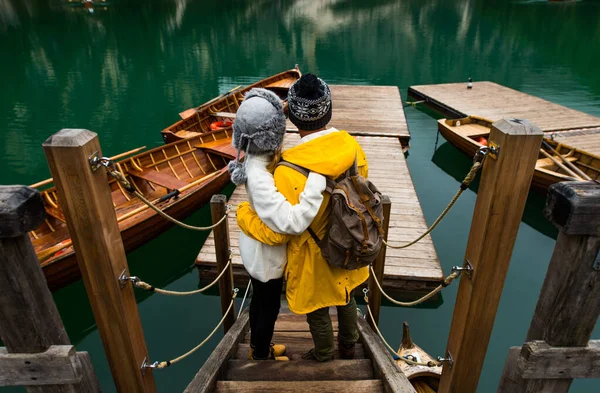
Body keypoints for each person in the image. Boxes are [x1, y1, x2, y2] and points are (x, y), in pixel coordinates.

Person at [236, 74, 370, 361]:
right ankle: (349, 344)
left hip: (314, 255)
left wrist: (243, 215)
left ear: (293, 118)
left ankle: (323, 354)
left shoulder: (287, 170)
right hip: (349, 241)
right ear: (328, 110)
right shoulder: (352, 148)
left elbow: (278, 232)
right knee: (347, 296)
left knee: (318, 310)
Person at [228, 88, 327, 361]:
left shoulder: (256, 156)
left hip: (257, 249)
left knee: (260, 300)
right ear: (271, 133)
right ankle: (261, 353)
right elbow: (290, 222)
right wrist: (317, 180)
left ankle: (259, 346)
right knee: (267, 306)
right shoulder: (259, 175)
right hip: (266, 256)